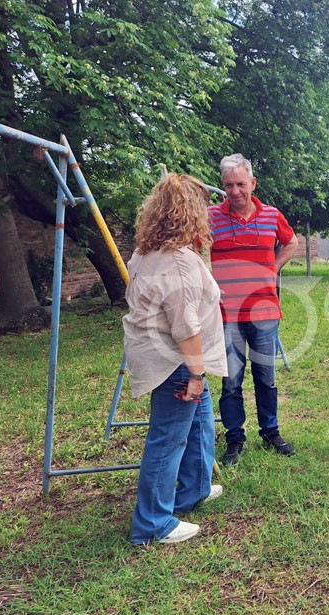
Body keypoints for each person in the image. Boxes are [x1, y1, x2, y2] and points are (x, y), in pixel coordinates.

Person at [123, 174, 228, 545]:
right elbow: (186, 326)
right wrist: (197, 374)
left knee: (199, 424)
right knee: (168, 438)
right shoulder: (179, 263)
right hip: (176, 360)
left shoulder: (145, 253)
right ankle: (152, 525)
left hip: (166, 355)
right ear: (190, 214)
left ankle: (192, 490)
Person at [209, 154, 299, 467]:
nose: (235, 191)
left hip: (264, 313)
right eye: (228, 185)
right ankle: (235, 438)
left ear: (253, 184)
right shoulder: (210, 217)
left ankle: (270, 430)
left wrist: (272, 267)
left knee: (266, 376)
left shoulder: (272, 215)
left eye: (240, 184)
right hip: (226, 314)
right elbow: (197, 252)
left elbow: (291, 243)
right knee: (231, 379)